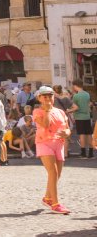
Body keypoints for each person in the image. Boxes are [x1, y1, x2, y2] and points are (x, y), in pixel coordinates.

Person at [32, 85, 71, 214]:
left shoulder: (60, 112)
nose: (48, 98)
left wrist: (66, 133)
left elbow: (67, 128)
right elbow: (46, 124)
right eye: (45, 96)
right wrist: (47, 111)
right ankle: (55, 204)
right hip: (44, 143)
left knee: (57, 174)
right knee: (53, 173)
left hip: (58, 143)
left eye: (50, 96)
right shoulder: (37, 111)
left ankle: (47, 198)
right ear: (39, 98)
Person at [69, 81, 92, 158]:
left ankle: (83, 153)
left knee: (82, 135)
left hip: (79, 117)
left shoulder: (76, 96)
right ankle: (91, 153)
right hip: (87, 116)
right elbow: (89, 104)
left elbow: (75, 107)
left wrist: (68, 111)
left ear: (75, 86)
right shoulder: (87, 94)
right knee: (89, 134)